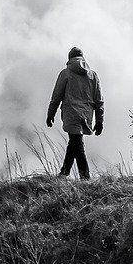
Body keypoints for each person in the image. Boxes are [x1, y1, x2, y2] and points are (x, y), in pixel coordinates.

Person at [46, 46, 104, 178]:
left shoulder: (65, 73)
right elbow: (99, 99)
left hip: (71, 113)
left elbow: (57, 96)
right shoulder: (92, 75)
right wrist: (100, 120)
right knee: (75, 141)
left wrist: (51, 114)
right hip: (86, 114)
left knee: (77, 144)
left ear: (69, 58)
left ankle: (85, 178)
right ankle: (64, 173)